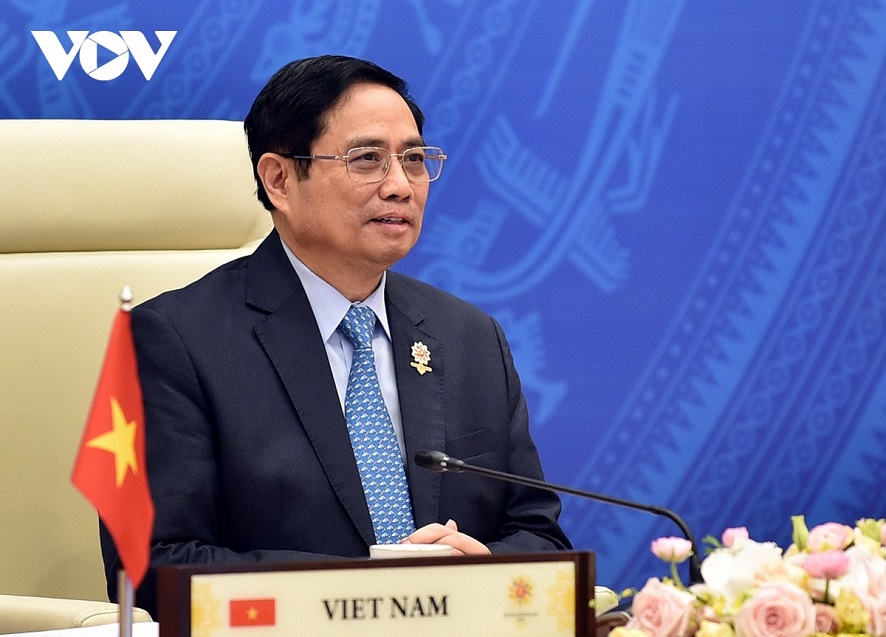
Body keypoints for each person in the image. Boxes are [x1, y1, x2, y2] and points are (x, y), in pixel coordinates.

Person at [100, 54, 570, 616]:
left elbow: (539, 537)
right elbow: (154, 565)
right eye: (367, 159)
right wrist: (369, 595)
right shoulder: (177, 341)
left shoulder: (469, 336)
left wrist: (478, 571)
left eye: (414, 160)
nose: (400, 186)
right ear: (279, 179)